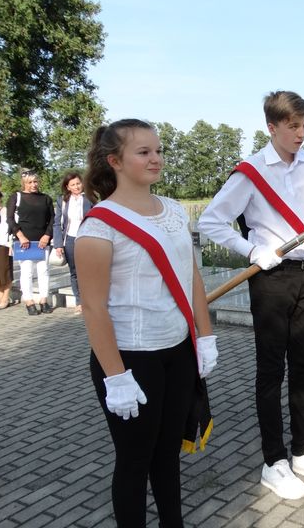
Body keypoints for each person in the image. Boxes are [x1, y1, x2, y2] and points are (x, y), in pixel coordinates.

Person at [75, 119, 218, 527]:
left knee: (168, 455)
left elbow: (190, 277)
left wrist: (204, 337)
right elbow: (94, 308)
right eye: (143, 152)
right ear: (115, 161)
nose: (155, 158)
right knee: (135, 462)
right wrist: (115, 377)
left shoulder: (172, 210)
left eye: (158, 150)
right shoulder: (99, 226)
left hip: (177, 350)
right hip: (130, 359)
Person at [198, 91, 304, 500]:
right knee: (271, 371)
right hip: (270, 277)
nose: (300, 133)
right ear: (272, 127)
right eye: (293, 126)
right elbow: (211, 220)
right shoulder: (250, 172)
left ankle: (303, 450)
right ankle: (273, 461)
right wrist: (250, 250)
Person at [6, 170, 55, 315]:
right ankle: (28, 300)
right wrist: (20, 235)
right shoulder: (16, 197)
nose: (34, 185)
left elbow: (53, 219)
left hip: (42, 241)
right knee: (27, 272)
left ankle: (44, 300)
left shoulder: (45, 198)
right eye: (30, 182)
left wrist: (47, 235)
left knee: (43, 271)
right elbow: (10, 218)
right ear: (24, 183)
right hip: (24, 242)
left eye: (35, 181)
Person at [53, 172, 93, 314]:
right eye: (73, 185)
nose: (76, 187)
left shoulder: (90, 198)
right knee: (75, 272)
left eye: (78, 183)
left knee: (90, 271)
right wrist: (58, 244)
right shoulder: (62, 201)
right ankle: (79, 301)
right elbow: (57, 223)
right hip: (69, 239)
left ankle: (92, 300)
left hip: (87, 238)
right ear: (67, 187)